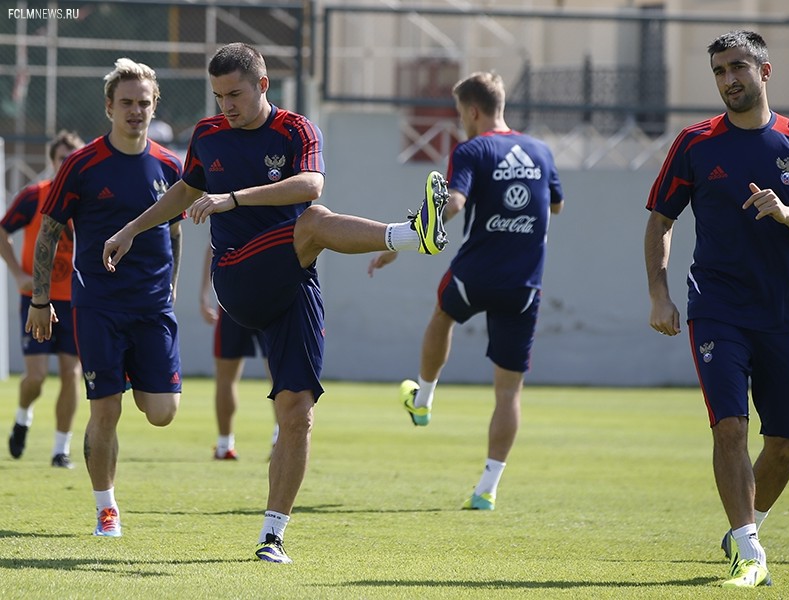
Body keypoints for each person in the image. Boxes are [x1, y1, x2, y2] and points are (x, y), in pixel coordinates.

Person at [101, 42, 449, 564]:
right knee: (313, 221)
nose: (227, 106)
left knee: (297, 413)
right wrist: (131, 229)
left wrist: (234, 197)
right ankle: (410, 233)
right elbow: (182, 192)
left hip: (293, 280)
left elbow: (311, 182)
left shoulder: (297, 130)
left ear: (263, 85)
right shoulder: (208, 135)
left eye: (235, 94)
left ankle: (272, 535)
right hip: (238, 274)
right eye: (219, 96)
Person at [644, 30, 789, 588]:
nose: (728, 79)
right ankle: (750, 553)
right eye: (718, 71)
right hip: (717, 307)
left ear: (764, 71)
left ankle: (744, 529)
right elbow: (660, 221)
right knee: (729, 426)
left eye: (738, 67)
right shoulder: (694, 143)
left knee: (784, 445)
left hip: (787, 314)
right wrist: (659, 293)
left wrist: (785, 214)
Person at [369, 71, 564, 512]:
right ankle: (487, 487)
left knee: (443, 315)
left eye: (460, 115)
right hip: (524, 283)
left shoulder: (472, 149)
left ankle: (423, 399)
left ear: (473, 111)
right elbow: (556, 204)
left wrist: (402, 242)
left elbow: (453, 203)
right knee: (509, 393)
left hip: (475, 274)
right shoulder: (541, 150)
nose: (461, 123)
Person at [26, 58, 184, 538]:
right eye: (127, 103)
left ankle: (135, 370)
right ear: (109, 107)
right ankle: (106, 509)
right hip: (98, 306)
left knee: (162, 413)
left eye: (144, 103)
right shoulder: (80, 165)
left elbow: (176, 233)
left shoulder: (171, 165)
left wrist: (172, 282)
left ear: (155, 106)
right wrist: (39, 299)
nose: (136, 111)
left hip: (154, 307)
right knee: (105, 410)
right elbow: (48, 233)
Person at [1, 130, 84, 468]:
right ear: (52, 162)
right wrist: (19, 274)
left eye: (72, 158)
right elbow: (2, 231)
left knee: (72, 373)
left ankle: (60, 450)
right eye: (61, 158)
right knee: (35, 377)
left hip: (76, 300)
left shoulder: (88, 199)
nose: (66, 164)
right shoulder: (35, 196)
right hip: (38, 298)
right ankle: (23, 418)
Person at [200, 245, 279, 460]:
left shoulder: (225, 210)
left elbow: (213, 245)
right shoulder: (280, 210)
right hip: (267, 296)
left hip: (236, 295)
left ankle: (225, 445)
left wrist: (204, 294)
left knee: (228, 377)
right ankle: (279, 439)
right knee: (279, 375)